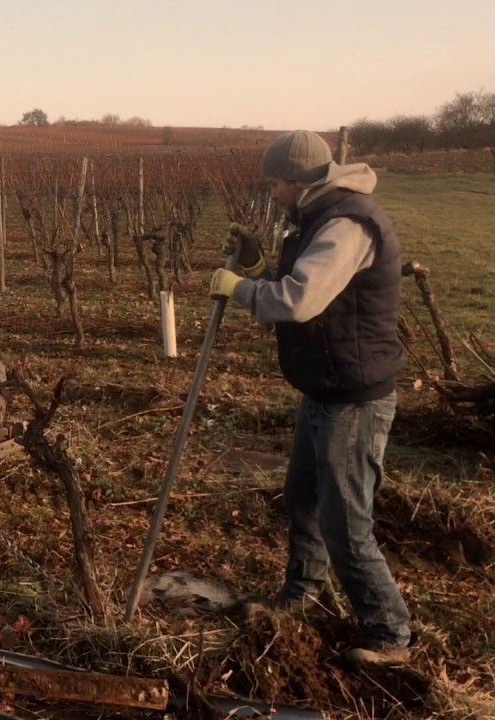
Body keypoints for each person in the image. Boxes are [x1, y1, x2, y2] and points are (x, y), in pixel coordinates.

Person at [208, 129, 412, 667]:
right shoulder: (318, 216)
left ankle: (389, 631)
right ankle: (302, 595)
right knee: (302, 500)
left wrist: (238, 288)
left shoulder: (347, 225)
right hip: (326, 385)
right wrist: (256, 268)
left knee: (345, 522)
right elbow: (301, 285)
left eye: (275, 183)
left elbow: (299, 301)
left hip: (354, 397)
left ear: (298, 181)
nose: (272, 192)